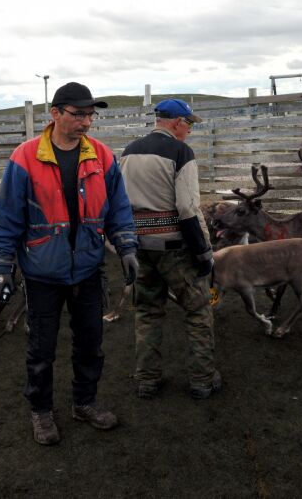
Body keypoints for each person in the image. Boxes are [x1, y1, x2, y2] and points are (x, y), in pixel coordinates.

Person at [0, 81, 139, 446]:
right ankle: (40, 410)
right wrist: (0, 266)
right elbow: (6, 216)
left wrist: (127, 246)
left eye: (90, 115)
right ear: (55, 114)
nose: (86, 122)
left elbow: (118, 208)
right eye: (78, 114)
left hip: (88, 268)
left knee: (91, 344)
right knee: (41, 349)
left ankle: (84, 402)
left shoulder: (101, 157)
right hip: (42, 274)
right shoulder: (24, 158)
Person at [120, 99, 220, 400]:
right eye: (189, 124)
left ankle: (147, 379)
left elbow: (120, 201)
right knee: (198, 310)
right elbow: (187, 208)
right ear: (177, 122)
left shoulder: (128, 152)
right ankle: (202, 379)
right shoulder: (181, 152)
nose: (189, 130)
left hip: (138, 246)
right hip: (174, 247)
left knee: (147, 312)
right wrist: (203, 252)